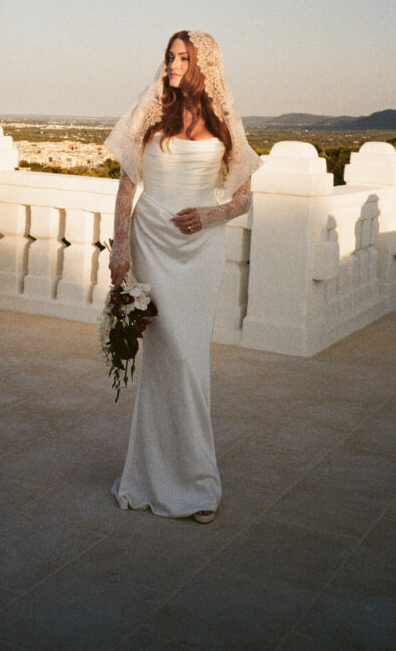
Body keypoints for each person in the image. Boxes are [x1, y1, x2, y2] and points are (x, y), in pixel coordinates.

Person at [106, 30, 262, 522]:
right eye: (170, 56)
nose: (172, 65)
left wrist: (209, 216)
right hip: (151, 240)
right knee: (164, 354)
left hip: (200, 251)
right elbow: (127, 187)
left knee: (190, 360)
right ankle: (149, 476)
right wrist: (121, 248)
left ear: (204, 65)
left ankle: (196, 481)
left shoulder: (224, 124)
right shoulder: (151, 114)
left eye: (183, 58)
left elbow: (243, 198)